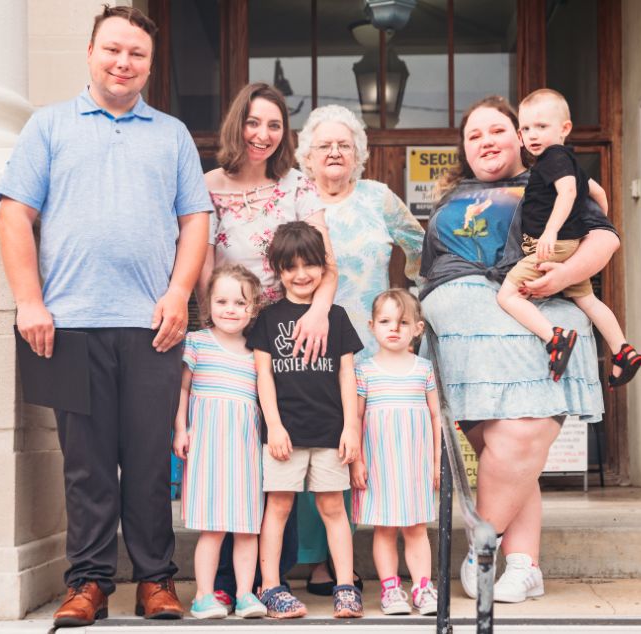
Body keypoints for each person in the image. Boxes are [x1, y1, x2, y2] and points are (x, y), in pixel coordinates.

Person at [0, 6, 209, 626]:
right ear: (90, 53)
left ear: (150, 64)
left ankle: (155, 581)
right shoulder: (48, 126)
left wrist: (179, 292)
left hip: (154, 326)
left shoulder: (171, 134)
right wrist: (29, 301)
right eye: (113, 49)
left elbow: (195, 219)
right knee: (86, 465)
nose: (123, 62)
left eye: (137, 54)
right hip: (68, 325)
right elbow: (15, 215)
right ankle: (88, 581)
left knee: (148, 460)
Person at [419, 95, 619, 604]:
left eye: (497, 131)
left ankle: (483, 547)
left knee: (521, 435)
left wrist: (563, 275)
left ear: (522, 137)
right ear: (464, 148)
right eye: (474, 135)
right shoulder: (450, 196)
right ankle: (525, 565)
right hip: (463, 338)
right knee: (506, 452)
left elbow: (604, 239)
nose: (486, 141)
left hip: (533, 317)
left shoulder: (552, 179)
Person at [201, 82, 337, 610]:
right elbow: (203, 268)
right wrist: (211, 330)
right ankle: (223, 579)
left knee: (281, 450)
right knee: (232, 452)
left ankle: (270, 578)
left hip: (288, 336)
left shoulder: (297, 186)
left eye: (275, 125)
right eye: (254, 123)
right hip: (233, 337)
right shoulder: (208, 186)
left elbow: (326, 263)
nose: (263, 134)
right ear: (237, 124)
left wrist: (317, 314)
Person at [293, 104, 425, 594]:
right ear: (307, 156)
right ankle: (320, 560)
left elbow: (419, 245)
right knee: (318, 449)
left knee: (364, 450)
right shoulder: (297, 197)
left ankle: (371, 549)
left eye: (343, 145)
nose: (334, 152)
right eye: (324, 145)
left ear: (358, 154)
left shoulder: (378, 198)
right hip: (311, 344)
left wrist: (410, 306)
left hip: (372, 348)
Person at [247, 222, 364, 619]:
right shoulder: (268, 319)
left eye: (310, 265)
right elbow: (263, 376)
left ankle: (345, 586)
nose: (301, 274)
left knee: (333, 507)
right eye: (290, 267)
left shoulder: (337, 317)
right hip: (285, 435)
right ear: (278, 270)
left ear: (322, 266)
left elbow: (347, 375)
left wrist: (351, 428)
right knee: (278, 507)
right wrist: (274, 426)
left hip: (330, 432)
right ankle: (271, 586)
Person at [496, 88, 641, 385]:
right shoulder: (567, 161)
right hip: (567, 245)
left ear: (564, 129)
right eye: (526, 128)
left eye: (541, 126)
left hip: (551, 246)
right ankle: (622, 351)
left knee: (507, 295)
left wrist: (551, 231)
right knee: (587, 299)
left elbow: (568, 192)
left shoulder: (553, 158)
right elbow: (598, 192)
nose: (532, 135)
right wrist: (595, 219)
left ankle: (555, 338)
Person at [173, 264, 267, 620]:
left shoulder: (256, 352)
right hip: (208, 447)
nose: (230, 309)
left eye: (240, 303)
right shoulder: (197, 343)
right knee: (212, 529)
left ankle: (244, 594)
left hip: (245, 450)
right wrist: (180, 429)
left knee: (246, 527)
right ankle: (203, 595)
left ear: (253, 308)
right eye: (222, 301)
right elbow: (182, 390)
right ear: (208, 304)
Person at [350, 289, 442, 616]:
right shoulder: (364, 370)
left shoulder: (424, 369)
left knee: (416, 527)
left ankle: (422, 587)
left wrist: (437, 462)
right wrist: (358, 462)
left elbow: (436, 416)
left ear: (417, 328)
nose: (394, 328)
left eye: (403, 322)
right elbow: (356, 418)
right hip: (379, 465)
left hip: (415, 465)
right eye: (386, 321)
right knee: (385, 528)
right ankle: (390, 589)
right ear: (372, 326)